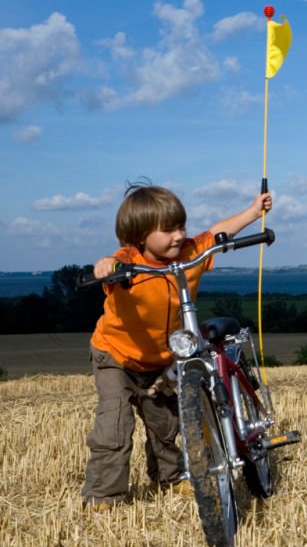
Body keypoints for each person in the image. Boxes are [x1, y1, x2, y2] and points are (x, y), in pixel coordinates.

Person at [83, 183, 272, 508]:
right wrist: (106, 268)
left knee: (166, 424)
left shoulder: (189, 253)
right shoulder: (129, 262)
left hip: (163, 359)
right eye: (168, 229)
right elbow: (110, 263)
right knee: (114, 426)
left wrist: (254, 213)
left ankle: (170, 478)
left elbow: (215, 233)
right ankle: (104, 496)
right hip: (117, 357)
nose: (178, 235)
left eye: (181, 226)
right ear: (140, 235)